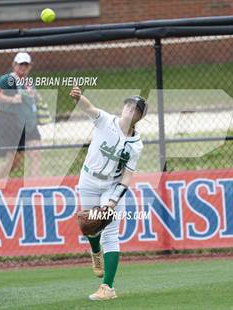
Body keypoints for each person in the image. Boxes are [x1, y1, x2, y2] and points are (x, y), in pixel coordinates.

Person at [69, 86, 147, 301]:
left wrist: (112, 202)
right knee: (89, 226)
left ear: (139, 116)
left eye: (136, 108)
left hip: (111, 187)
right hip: (88, 180)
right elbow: (89, 108)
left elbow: (127, 177)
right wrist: (78, 97)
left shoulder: (135, 144)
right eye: (129, 105)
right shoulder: (106, 120)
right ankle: (96, 253)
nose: (130, 109)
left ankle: (108, 287)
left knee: (110, 233)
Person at [0, 52, 41, 179]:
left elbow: (33, 100)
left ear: (30, 66)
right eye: (20, 64)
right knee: (13, 162)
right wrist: (11, 99)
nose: (23, 67)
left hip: (29, 125)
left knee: (35, 155)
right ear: (14, 65)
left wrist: (35, 97)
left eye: (26, 65)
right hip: (15, 125)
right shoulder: (9, 79)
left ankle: (35, 187)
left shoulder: (28, 82)